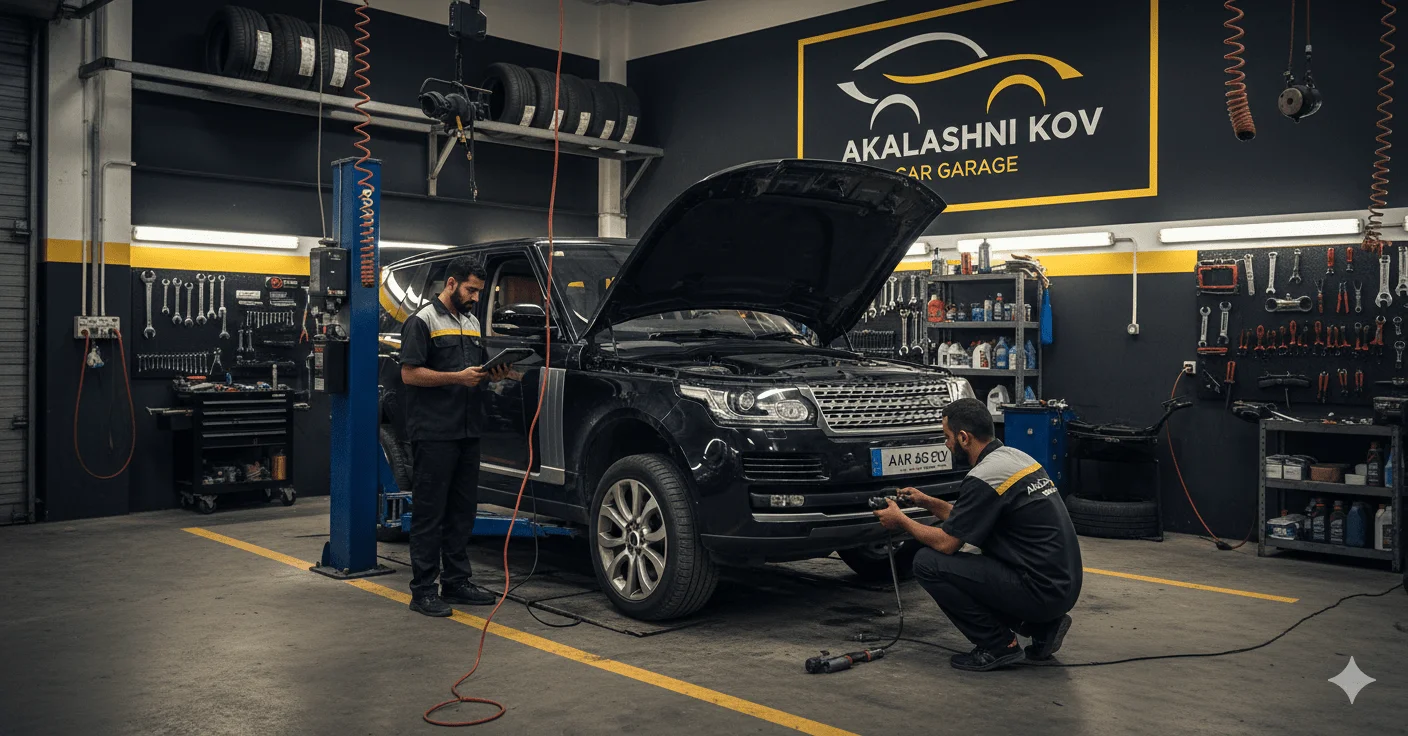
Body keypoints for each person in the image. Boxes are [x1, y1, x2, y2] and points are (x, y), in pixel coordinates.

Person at [873, 397, 1083, 671]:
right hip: (1062, 587)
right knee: (977, 564)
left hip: (1041, 590)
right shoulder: (1013, 458)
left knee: (927, 563)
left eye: (947, 437)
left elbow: (948, 543)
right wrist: (927, 502)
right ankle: (1043, 628)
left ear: (963, 437)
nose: (946, 444)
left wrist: (900, 520)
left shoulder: (984, 477)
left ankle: (998, 645)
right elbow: (969, 518)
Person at [398, 256, 512, 617]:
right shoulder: (422, 321)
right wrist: (457, 378)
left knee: (462, 512)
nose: (476, 297)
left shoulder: (471, 321)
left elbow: (474, 372)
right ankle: (423, 591)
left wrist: (492, 374)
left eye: (479, 291)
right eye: (471, 290)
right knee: (430, 513)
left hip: (467, 429)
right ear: (451, 283)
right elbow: (410, 374)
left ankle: (456, 582)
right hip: (434, 432)